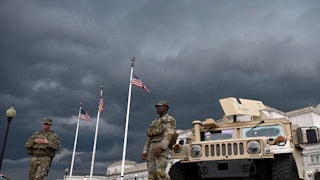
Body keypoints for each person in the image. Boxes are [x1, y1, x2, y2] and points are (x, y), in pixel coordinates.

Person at [142, 100, 176, 180]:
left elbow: (169, 134)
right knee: (151, 173)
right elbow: (149, 137)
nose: (157, 108)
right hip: (151, 147)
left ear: (165, 107)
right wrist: (145, 151)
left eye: (159, 106)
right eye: (157, 107)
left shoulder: (170, 119)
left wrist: (161, 147)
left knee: (160, 172)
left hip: (161, 147)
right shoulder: (154, 122)